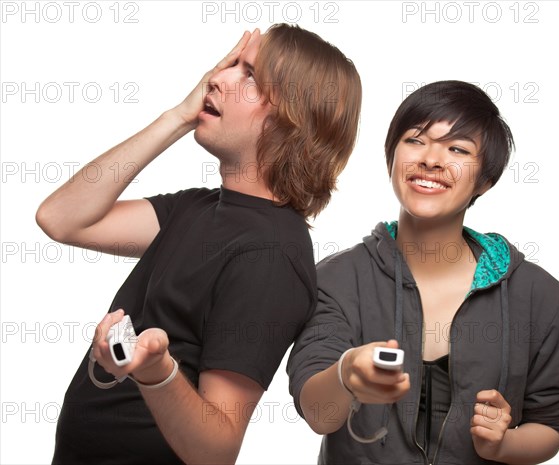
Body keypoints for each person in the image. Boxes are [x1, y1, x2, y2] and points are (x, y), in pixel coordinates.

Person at [36, 24, 361, 464]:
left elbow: (216, 450)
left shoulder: (271, 255)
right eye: (230, 66)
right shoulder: (196, 207)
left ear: (292, 119)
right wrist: (178, 117)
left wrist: (157, 374)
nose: (219, 78)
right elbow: (62, 219)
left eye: (249, 76)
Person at [288, 80, 559, 464]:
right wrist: (346, 375)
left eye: (458, 149)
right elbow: (317, 413)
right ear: (391, 156)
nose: (431, 159)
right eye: (415, 140)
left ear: (486, 180)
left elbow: (549, 426)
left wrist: (502, 444)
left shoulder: (539, 295)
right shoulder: (336, 279)